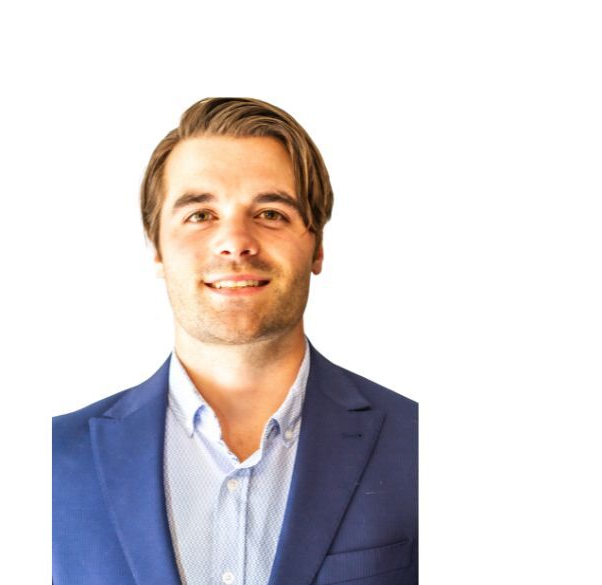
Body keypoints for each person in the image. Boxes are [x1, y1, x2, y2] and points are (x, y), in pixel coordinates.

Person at [52, 97, 418, 585]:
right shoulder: (49, 463)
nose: (235, 241)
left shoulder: (421, 445)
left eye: (269, 212)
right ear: (156, 248)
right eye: (200, 215)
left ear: (318, 246)